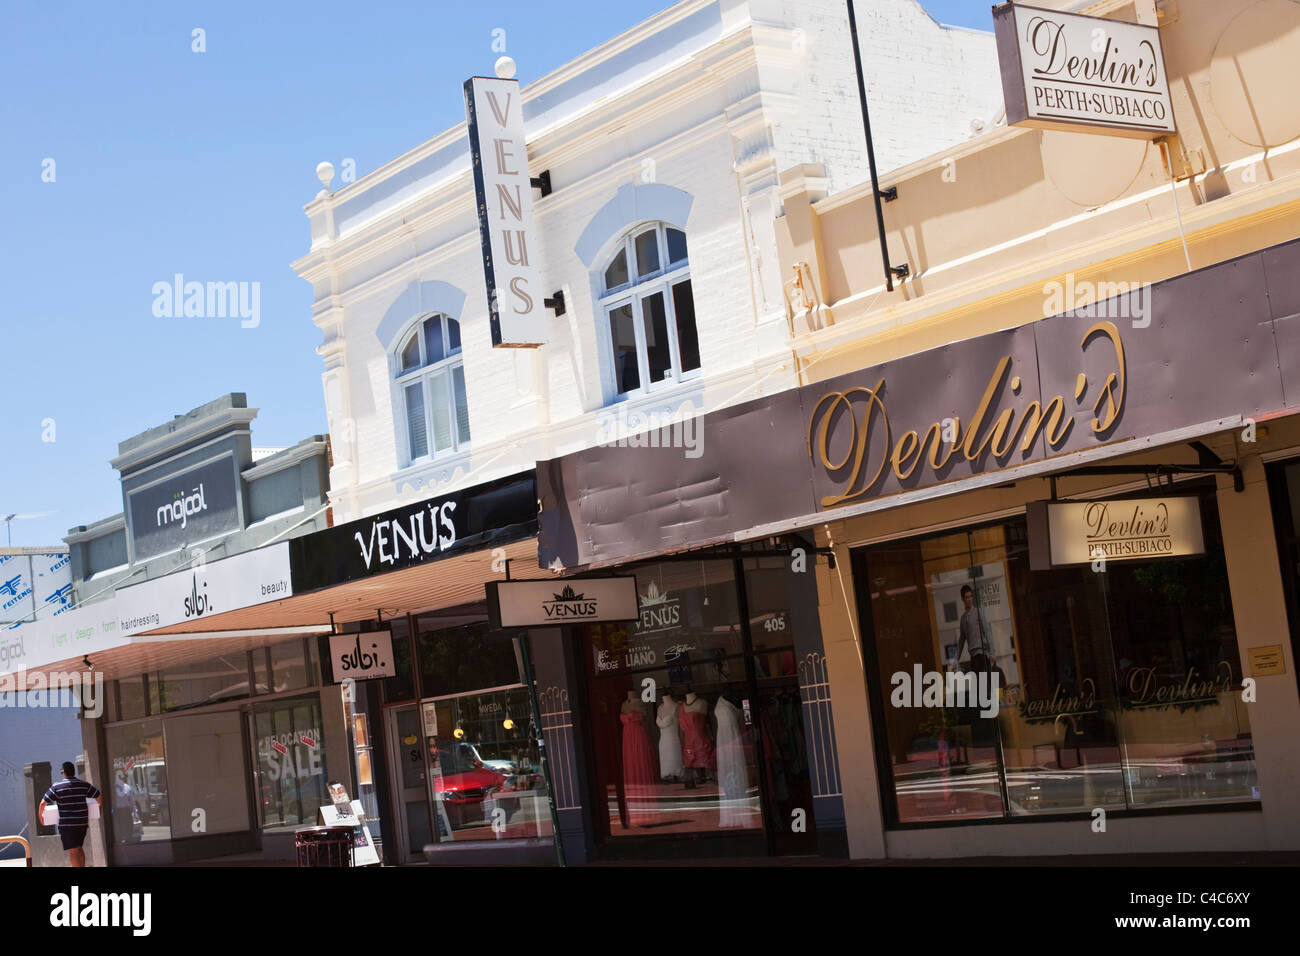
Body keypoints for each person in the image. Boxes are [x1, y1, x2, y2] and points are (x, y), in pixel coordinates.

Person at [38, 761, 103, 867]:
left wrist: (41, 817)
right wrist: (99, 808)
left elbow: (42, 803)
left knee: (73, 851)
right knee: (79, 848)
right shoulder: (83, 785)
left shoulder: (57, 787)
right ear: (73, 772)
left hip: (67, 825)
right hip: (82, 823)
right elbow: (99, 796)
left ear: (63, 772)